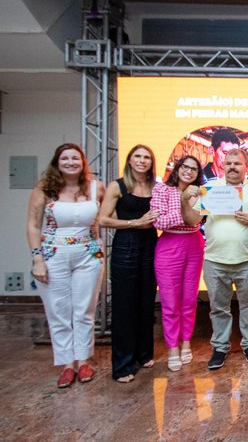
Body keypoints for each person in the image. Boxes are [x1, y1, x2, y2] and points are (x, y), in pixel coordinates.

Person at [26, 143, 105, 388]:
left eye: (75, 158)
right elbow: (33, 225)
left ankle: (83, 361)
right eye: (65, 159)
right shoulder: (44, 189)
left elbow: (103, 219)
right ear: (57, 163)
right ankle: (67, 364)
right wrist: (37, 258)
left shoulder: (96, 187)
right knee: (58, 310)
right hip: (54, 254)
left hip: (88, 254)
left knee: (84, 310)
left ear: (83, 162)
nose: (70, 162)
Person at [182, 148, 248, 370]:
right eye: (229, 163)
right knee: (218, 308)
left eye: (237, 163)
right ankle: (220, 347)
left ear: (246, 166)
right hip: (215, 260)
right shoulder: (210, 189)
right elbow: (193, 220)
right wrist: (185, 201)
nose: (232, 167)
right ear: (222, 165)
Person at [98, 144, 160, 383]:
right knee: (124, 306)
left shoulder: (155, 186)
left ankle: (144, 355)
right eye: (138, 156)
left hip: (150, 244)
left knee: (146, 301)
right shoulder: (118, 186)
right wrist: (134, 223)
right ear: (130, 160)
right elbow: (103, 220)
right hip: (126, 245)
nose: (142, 161)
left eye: (146, 157)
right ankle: (123, 366)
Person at [151, 155, 205, 372]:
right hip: (169, 245)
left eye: (194, 169)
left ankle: (186, 343)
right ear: (177, 168)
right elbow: (158, 221)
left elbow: (196, 221)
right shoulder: (162, 189)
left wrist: (184, 214)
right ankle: (172, 347)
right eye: (185, 167)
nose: (189, 171)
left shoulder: (200, 192)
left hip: (194, 245)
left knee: (189, 300)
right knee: (170, 301)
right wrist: (184, 206)